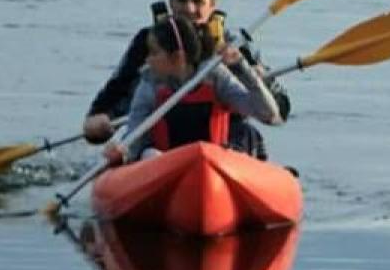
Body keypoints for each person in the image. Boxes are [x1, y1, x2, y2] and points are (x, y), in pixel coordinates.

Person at [83, 0, 290, 159]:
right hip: (160, 134)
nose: (190, 9)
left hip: (223, 139)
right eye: (182, 1)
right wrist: (101, 118)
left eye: (198, 1)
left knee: (246, 133)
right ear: (171, 3)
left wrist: (255, 76)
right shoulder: (149, 50)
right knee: (137, 147)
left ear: (212, 4)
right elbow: (117, 89)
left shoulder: (233, 47)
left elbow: (278, 112)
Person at [105, 14, 283, 165]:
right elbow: (134, 136)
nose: (147, 61)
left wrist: (242, 67)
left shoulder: (215, 76)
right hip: (165, 166)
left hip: (213, 165)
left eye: (154, 53)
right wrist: (122, 152)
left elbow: (269, 115)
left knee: (241, 139)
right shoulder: (149, 84)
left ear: (177, 57)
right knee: (148, 153)